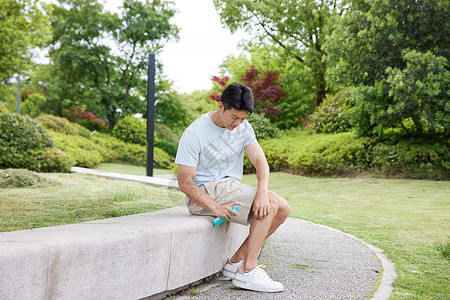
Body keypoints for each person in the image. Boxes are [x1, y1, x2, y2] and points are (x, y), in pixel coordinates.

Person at [175, 82, 291, 293]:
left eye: (243, 118)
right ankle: (248, 271)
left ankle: (235, 263)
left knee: (282, 208)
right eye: (234, 117)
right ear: (221, 106)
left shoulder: (243, 127)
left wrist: (262, 192)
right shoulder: (195, 133)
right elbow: (184, 183)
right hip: (204, 191)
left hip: (227, 187)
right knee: (273, 204)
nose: (237, 123)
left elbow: (260, 162)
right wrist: (215, 208)